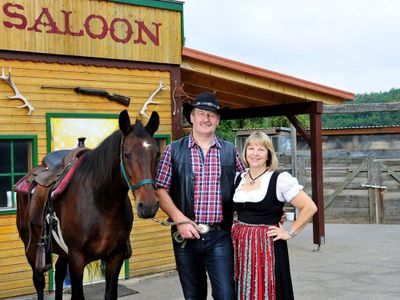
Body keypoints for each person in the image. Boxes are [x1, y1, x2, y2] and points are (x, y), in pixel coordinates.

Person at [156, 92, 245, 300]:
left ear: (218, 120)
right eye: (201, 113)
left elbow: (247, 186)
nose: (206, 119)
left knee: (226, 295)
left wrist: (269, 211)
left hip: (220, 237)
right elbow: (160, 190)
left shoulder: (230, 152)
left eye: (212, 115)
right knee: (193, 296)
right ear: (192, 118)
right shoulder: (173, 150)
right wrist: (180, 220)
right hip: (185, 237)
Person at [231, 131, 318, 300]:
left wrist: (289, 232)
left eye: (261, 149)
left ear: (269, 155)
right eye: (251, 148)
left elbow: (309, 207)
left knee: (269, 288)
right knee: (242, 288)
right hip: (240, 246)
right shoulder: (238, 178)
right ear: (245, 152)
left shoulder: (279, 180)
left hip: (267, 247)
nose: (255, 153)